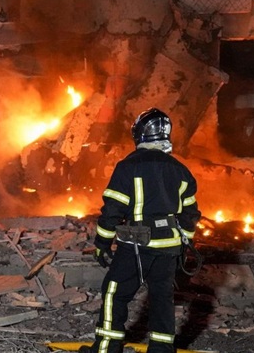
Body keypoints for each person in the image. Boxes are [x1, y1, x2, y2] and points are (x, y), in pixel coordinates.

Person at [81, 108, 201, 353]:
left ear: (139, 133)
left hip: (137, 244)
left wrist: (102, 244)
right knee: (162, 297)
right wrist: (183, 246)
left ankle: (106, 348)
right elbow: (190, 215)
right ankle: (161, 350)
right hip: (169, 247)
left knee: (115, 292)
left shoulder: (128, 167)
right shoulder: (181, 170)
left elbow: (112, 210)